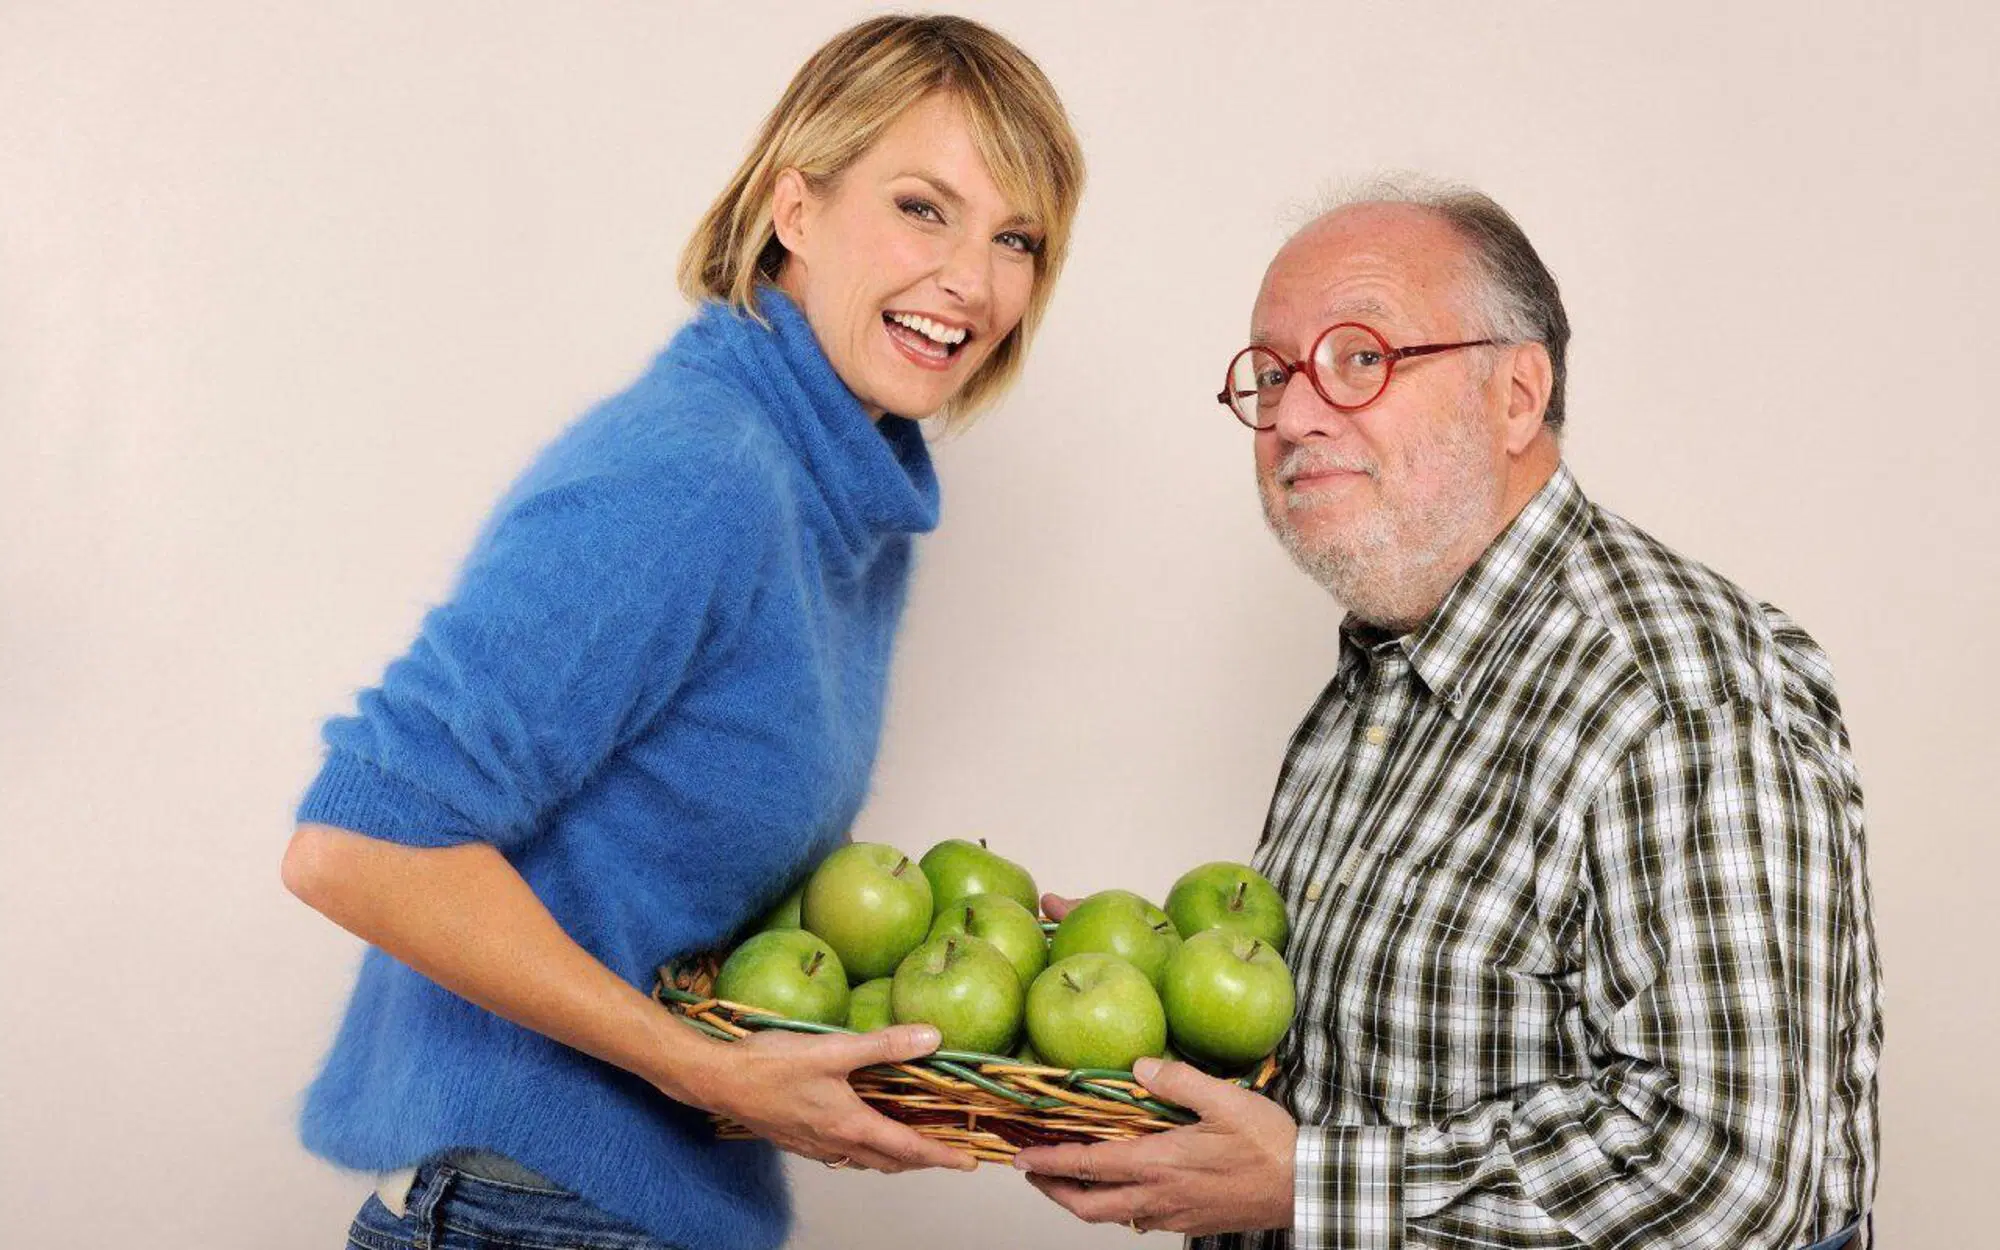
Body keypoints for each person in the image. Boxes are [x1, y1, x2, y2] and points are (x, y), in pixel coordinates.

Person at [280, 16, 1084, 1250]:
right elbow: (359, 841)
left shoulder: (837, 489)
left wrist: (955, 934)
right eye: (924, 207)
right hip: (527, 1213)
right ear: (793, 207)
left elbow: (671, 846)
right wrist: (697, 1068)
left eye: (1014, 237)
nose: (971, 281)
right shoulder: (701, 473)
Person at [1016, 180, 1881, 1250]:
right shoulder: (1382, 666)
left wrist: (1307, 1184)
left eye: (1359, 358)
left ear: (1517, 394)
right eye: (1273, 373)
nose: (1289, 414)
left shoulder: (1673, 690)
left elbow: (1734, 1167)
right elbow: (1376, 1045)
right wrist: (1150, 970)